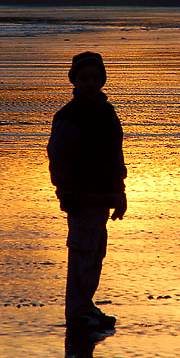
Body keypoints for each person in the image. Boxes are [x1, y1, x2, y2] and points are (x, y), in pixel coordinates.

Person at [47, 51, 127, 329]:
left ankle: (85, 306)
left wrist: (120, 193)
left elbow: (116, 155)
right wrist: (65, 192)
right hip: (80, 197)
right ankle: (77, 311)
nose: (90, 83)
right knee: (82, 251)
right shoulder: (69, 116)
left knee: (95, 254)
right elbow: (57, 156)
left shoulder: (107, 112)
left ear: (103, 80)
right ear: (75, 81)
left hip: (103, 196)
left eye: (95, 78)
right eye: (84, 78)